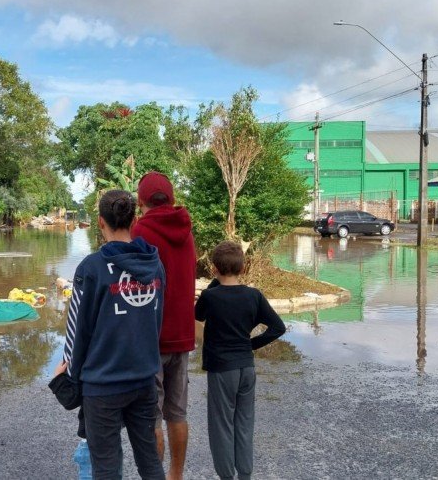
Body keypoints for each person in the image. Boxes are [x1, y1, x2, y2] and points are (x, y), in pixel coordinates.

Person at [49, 189, 166, 480]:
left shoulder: (92, 268)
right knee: (150, 462)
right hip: (144, 379)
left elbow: (76, 329)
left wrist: (68, 373)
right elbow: (156, 321)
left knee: (106, 468)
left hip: (103, 386)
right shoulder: (155, 265)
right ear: (134, 219)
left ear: (100, 222)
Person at [194, 241, 286, 480]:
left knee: (221, 426)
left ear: (214, 268)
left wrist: (216, 279)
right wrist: (250, 345)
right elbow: (277, 327)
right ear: (243, 268)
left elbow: (197, 316)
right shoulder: (253, 295)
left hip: (222, 370)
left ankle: (226, 476)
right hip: (246, 367)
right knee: (244, 424)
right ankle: (245, 476)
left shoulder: (210, 297)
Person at [131, 171, 196, 480]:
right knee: (178, 413)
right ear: (170, 198)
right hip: (182, 337)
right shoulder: (186, 229)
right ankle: (176, 475)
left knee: (152, 418)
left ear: (141, 201)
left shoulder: (140, 231)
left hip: (151, 339)